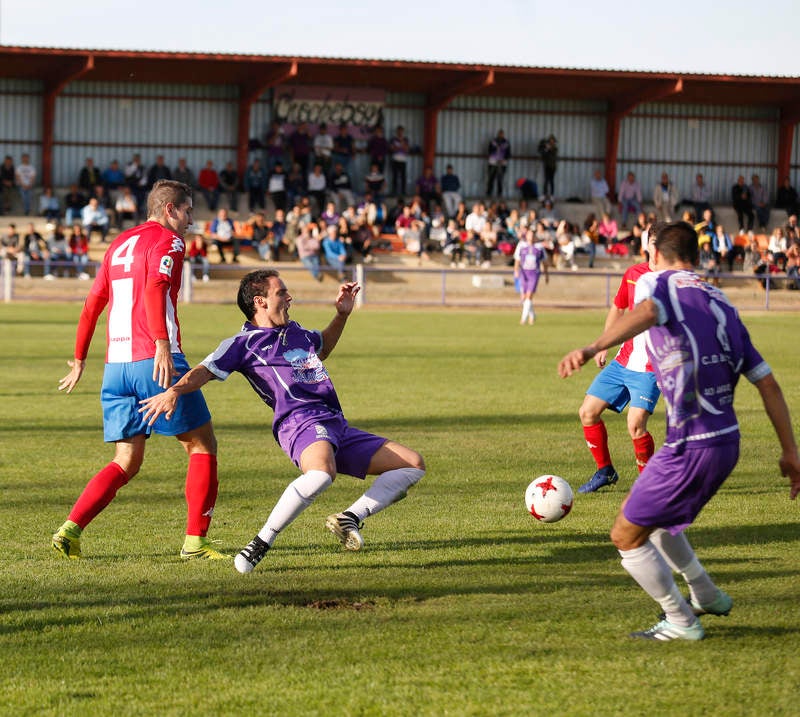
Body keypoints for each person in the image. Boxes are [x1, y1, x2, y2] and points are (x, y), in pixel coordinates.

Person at [558, 220, 800, 641]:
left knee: (626, 535)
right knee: (661, 522)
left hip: (693, 443)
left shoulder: (658, 284)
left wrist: (592, 346)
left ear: (656, 253)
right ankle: (705, 593)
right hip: (727, 442)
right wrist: (790, 452)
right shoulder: (722, 301)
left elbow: (648, 312)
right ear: (698, 256)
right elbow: (768, 382)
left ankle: (681, 620)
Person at [139, 270, 426, 573]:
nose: (289, 298)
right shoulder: (243, 343)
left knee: (412, 464)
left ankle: (349, 518)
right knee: (322, 473)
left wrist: (341, 315)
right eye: (282, 293)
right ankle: (260, 543)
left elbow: (323, 348)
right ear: (260, 301)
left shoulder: (296, 331)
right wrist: (173, 391)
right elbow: (205, 370)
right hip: (298, 421)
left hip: (335, 422)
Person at [52, 179, 224, 561]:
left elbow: (93, 301)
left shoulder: (118, 244)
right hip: (155, 360)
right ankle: (196, 542)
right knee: (201, 446)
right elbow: (154, 287)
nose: (192, 220)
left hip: (115, 367)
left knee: (126, 461)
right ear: (170, 210)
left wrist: (80, 358)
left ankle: (71, 528)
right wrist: (162, 343)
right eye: (189, 211)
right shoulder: (170, 241)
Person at [573, 231, 659, 493]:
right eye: (653, 242)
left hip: (651, 367)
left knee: (635, 424)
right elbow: (618, 307)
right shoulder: (634, 274)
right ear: (647, 245)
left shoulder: (671, 281)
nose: (655, 248)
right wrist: (604, 343)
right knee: (587, 413)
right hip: (624, 360)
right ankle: (605, 471)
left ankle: (649, 486)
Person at [513, 228, 548, 325]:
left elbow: (544, 262)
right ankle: (532, 315)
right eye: (529, 235)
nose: (531, 237)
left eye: (533, 235)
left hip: (534, 273)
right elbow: (517, 259)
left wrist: (546, 274)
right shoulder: (521, 246)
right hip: (524, 273)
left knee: (529, 296)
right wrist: (516, 270)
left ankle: (523, 319)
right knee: (524, 297)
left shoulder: (539, 247)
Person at [486, 130, 511, 198]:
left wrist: (504, 159)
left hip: (502, 163)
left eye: (502, 134)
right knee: (491, 178)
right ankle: (489, 193)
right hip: (493, 162)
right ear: (498, 134)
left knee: (500, 178)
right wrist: (495, 150)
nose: (501, 135)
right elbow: (489, 151)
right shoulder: (493, 142)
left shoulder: (506, 143)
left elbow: (508, 153)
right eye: (500, 134)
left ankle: (499, 193)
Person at [389, 125, 410, 197]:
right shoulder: (393, 139)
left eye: (401, 131)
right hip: (395, 159)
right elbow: (392, 149)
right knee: (395, 176)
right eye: (399, 131)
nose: (400, 133)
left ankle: (403, 191)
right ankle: (394, 191)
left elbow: (407, 149)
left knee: (403, 176)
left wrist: (398, 147)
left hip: (403, 160)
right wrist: (401, 147)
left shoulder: (406, 139)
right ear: (397, 132)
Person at [538, 134, 558, 199]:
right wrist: (546, 148)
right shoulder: (546, 148)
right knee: (546, 180)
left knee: (551, 180)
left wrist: (548, 149)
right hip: (547, 166)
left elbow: (552, 155)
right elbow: (542, 153)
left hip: (552, 166)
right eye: (550, 141)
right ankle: (544, 194)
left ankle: (552, 194)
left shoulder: (555, 148)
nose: (551, 142)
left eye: (553, 141)